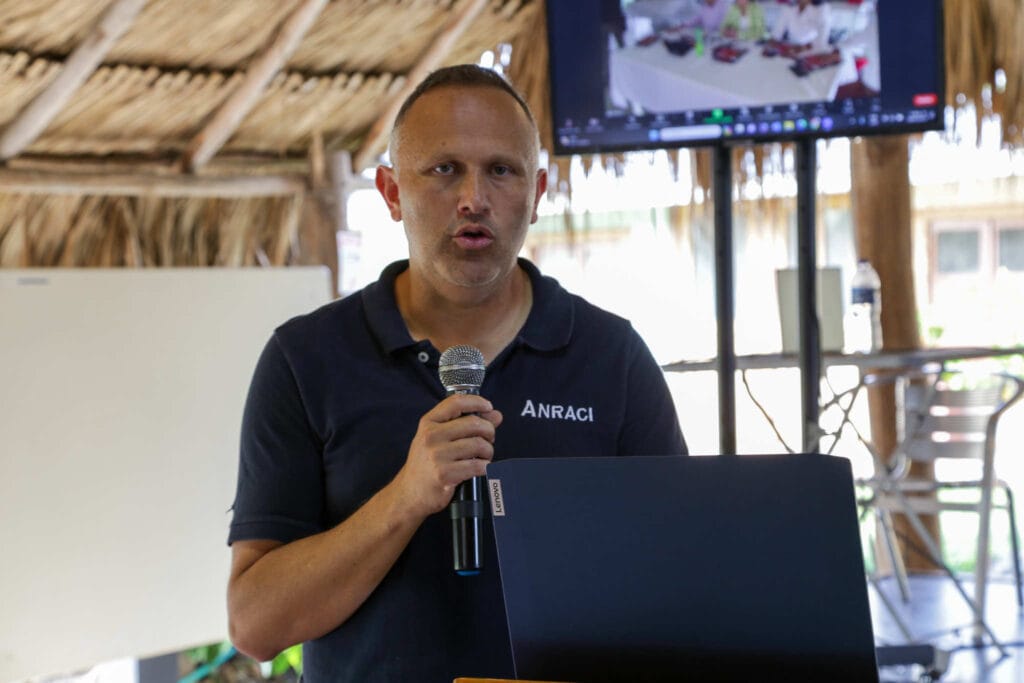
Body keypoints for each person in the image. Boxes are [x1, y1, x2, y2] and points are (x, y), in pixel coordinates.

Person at [226, 64, 687, 681]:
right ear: (391, 193)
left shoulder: (612, 356)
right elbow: (257, 626)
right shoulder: (305, 358)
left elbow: (682, 581)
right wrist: (406, 498)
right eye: (444, 170)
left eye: (502, 170)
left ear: (538, 191)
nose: (475, 197)